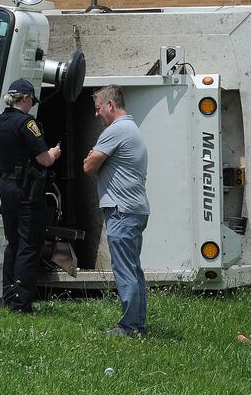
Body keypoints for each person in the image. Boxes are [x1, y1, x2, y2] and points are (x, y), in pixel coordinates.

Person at [0, 78, 61, 313]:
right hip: (27, 190)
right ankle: (21, 304)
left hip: (6, 187)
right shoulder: (27, 123)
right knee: (29, 245)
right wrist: (53, 152)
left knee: (13, 243)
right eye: (31, 101)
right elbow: (45, 160)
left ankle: (9, 297)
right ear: (27, 98)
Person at [83, 85, 150, 337]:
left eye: (98, 108)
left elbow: (88, 167)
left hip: (122, 211)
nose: (96, 114)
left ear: (111, 105)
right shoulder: (131, 129)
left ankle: (129, 327)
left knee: (124, 269)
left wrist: (93, 158)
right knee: (133, 269)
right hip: (134, 209)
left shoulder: (115, 131)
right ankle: (138, 326)